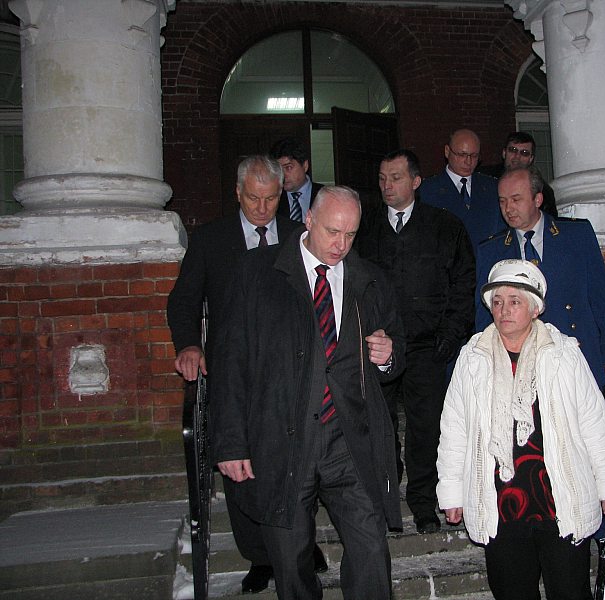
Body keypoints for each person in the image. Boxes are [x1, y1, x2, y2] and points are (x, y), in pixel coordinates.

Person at [211, 186, 405, 600]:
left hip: (348, 439)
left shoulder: (368, 279)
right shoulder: (258, 272)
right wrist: (230, 441)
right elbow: (230, 361)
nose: (341, 245)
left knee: (371, 546)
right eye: (333, 231)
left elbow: (397, 348)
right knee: (290, 558)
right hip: (283, 439)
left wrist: (388, 356)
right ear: (309, 220)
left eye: (350, 235)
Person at [166, 155, 326, 594]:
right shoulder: (211, 240)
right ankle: (259, 555)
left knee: (299, 463)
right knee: (240, 467)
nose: (261, 208)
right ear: (237, 193)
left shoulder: (300, 237)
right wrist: (189, 344)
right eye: (253, 198)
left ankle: (299, 546)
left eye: (271, 198)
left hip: (290, 373)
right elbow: (183, 300)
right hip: (235, 373)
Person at [436, 259, 605, 600]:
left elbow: (594, 425)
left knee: (570, 592)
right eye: (497, 302)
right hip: (501, 506)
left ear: (535, 308)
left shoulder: (564, 354)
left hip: (560, 502)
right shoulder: (473, 358)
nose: (504, 310)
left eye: (514, 301)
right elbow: (455, 430)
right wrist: (451, 491)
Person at [356, 149, 475, 534]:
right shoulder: (365, 227)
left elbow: (463, 286)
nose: (387, 186)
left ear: (416, 181)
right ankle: (387, 503)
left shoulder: (444, 226)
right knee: (381, 427)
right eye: (382, 179)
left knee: (426, 429)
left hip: (427, 347)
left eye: (395, 178)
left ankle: (423, 502)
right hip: (378, 346)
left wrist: (449, 337)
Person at [475, 166, 605, 392]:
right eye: (503, 201)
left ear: (537, 199)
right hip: (520, 364)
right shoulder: (492, 250)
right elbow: (484, 314)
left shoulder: (576, 235)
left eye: (516, 199)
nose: (508, 208)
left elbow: (601, 298)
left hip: (577, 356)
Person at [418, 128, 504, 251]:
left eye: (474, 156)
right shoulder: (427, 190)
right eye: (462, 155)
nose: (468, 162)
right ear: (447, 151)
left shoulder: (492, 187)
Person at [478, 131, 557, 217]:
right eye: (513, 150)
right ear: (504, 153)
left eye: (524, 153)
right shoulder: (483, 178)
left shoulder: (543, 191)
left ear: (531, 159)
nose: (517, 156)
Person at [270, 137, 324, 222]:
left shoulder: (324, 195)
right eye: (278, 169)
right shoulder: (272, 197)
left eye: (288, 167)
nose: (282, 175)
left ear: (305, 166)